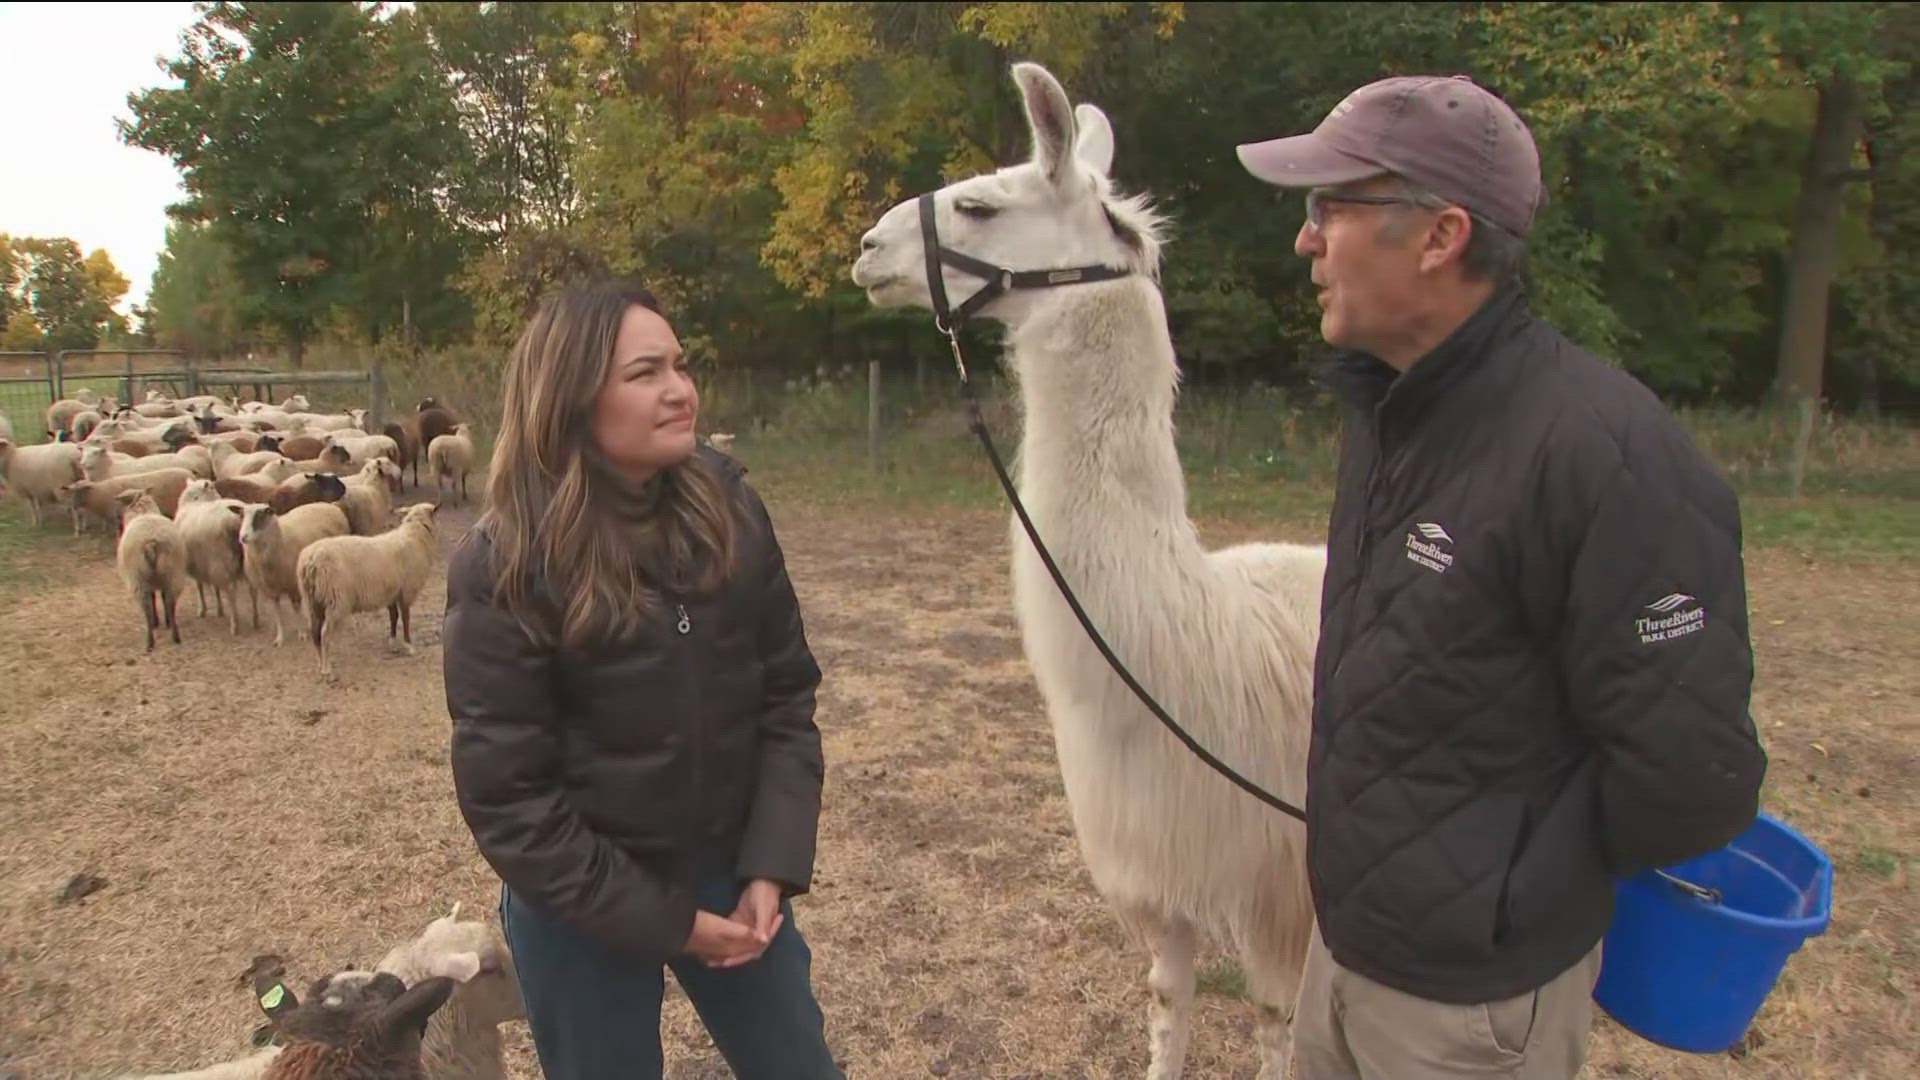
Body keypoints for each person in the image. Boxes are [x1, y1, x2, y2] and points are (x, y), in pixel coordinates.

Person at [1234, 76, 1768, 1078]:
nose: (1306, 241)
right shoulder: (1394, 417)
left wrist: (1507, 886)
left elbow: (1694, 776)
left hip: (1472, 1014)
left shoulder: (1607, 457)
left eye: (1329, 207)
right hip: (1344, 954)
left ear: (1439, 237)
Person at [442, 281, 842, 1079]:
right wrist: (671, 924)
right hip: (579, 905)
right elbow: (511, 804)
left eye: (681, 367)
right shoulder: (505, 566)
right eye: (646, 372)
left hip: (730, 869)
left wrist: (771, 862)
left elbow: (786, 700)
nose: (679, 390)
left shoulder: (732, 513)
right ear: (572, 398)